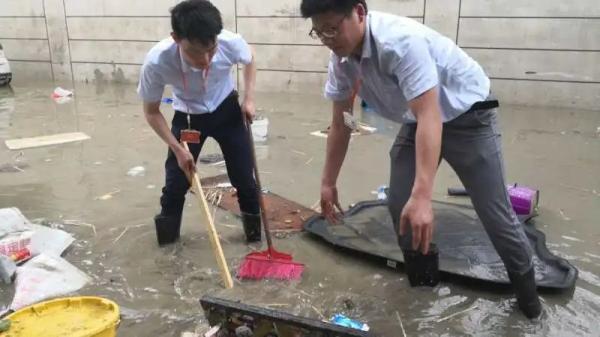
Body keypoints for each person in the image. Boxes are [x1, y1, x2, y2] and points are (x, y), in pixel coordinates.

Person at [300, 0, 542, 318]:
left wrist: (425, 195)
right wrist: (328, 182)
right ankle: (424, 291)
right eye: (319, 32)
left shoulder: (399, 42)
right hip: (419, 119)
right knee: (401, 203)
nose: (328, 39)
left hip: (469, 115)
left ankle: (530, 306)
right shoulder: (342, 62)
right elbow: (341, 122)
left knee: (496, 216)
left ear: (359, 12)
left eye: (332, 28)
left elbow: (431, 114)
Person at [137, 0, 261, 246]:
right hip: (188, 118)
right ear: (176, 38)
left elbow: (250, 58)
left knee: (244, 179)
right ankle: (168, 248)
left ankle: (254, 240)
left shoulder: (229, 42)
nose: (205, 60)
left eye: (211, 50)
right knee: (175, 184)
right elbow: (152, 112)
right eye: (194, 52)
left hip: (227, 111)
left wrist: (249, 98)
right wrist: (177, 148)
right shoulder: (157, 62)